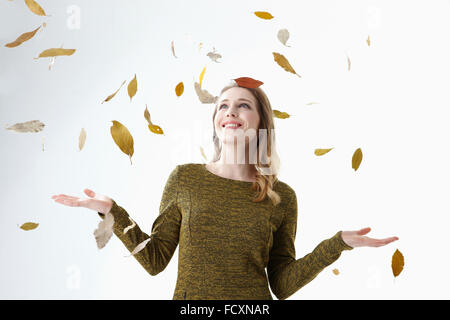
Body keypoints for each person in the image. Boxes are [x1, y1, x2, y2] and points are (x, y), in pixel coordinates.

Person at [51, 79, 399, 300]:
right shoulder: (185, 178)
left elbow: (281, 284)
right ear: (216, 122)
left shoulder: (282, 197)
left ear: (261, 120)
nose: (230, 111)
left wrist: (336, 244)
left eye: (243, 105)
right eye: (223, 105)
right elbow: (154, 259)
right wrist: (113, 211)